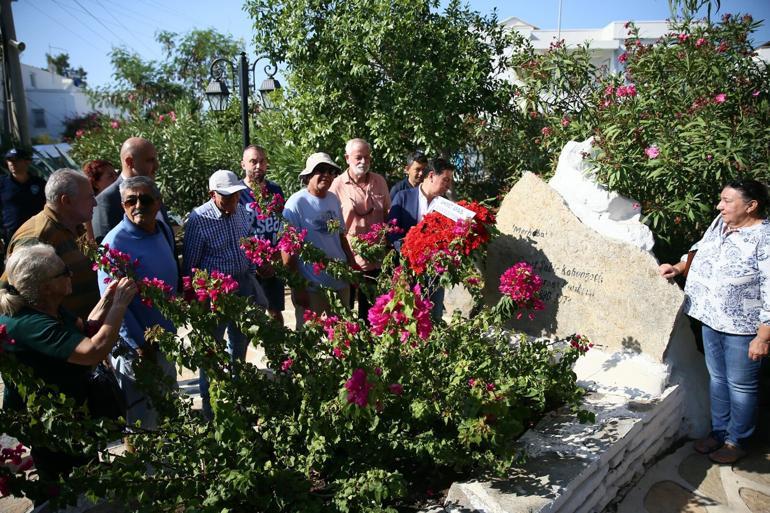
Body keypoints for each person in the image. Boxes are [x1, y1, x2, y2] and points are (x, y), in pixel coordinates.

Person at [0, 243, 136, 483]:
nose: (71, 274)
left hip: (73, 419)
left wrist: (107, 300)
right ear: (46, 287)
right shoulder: (30, 324)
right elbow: (92, 350)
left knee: (88, 474)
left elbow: (83, 330)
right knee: (70, 488)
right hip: (52, 429)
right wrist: (120, 306)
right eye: (64, 272)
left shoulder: (48, 308)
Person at [659, 178, 770, 464]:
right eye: (721, 199)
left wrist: (763, 336)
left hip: (744, 328)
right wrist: (679, 267)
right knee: (718, 381)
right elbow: (699, 249)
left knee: (741, 386)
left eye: (727, 201)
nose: (719, 205)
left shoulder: (764, 238)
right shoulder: (720, 224)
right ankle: (719, 432)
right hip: (711, 318)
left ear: (751, 205)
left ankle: (737, 440)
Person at [183, 169, 267, 419]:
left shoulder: (242, 211)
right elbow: (191, 264)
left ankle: (238, 401)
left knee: (240, 346)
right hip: (213, 294)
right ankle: (211, 410)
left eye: (236, 195)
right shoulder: (199, 218)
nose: (232, 201)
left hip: (241, 287)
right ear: (213, 194)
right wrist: (198, 298)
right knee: (211, 350)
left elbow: (247, 245)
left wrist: (253, 273)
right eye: (226, 197)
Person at [98, 177, 179, 430]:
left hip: (164, 340)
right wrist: (140, 346)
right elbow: (114, 305)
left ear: (158, 202)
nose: (138, 205)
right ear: (122, 205)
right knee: (141, 419)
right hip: (137, 349)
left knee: (166, 408)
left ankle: (169, 466)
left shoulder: (163, 229)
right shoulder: (114, 244)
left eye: (145, 199)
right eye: (130, 200)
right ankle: (146, 469)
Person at [5, 168, 100, 320]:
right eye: (89, 197)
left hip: (88, 330)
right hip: (67, 338)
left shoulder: (75, 226)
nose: (95, 203)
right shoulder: (36, 238)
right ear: (66, 201)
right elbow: (16, 297)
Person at [282, 153, 356, 328]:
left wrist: (352, 268)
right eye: (320, 170)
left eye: (331, 171)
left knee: (342, 335)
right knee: (309, 339)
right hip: (312, 286)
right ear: (308, 176)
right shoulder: (296, 204)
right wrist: (297, 287)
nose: (327, 175)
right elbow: (287, 252)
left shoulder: (332, 199)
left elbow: (340, 236)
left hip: (339, 282)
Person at [387, 157, 455, 320]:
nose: (448, 185)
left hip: (434, 274)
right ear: (431, 175)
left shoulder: (446, 206)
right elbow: (392, 231)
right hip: (406, 269)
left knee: (432, 318)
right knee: (405, 318)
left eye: (450, 181)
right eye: (445, 179)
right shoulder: (403, 197)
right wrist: (408, 251)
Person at [329, 138, 391, 318]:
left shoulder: (379, 181)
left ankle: (370, 345)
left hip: (376, 260)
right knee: (346, 312)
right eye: (358, 157)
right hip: (349, 259)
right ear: (347, 158)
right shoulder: (337, 185)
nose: (363, 161)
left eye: (367, 157)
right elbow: (333, 225)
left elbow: (388, 215)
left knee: (372, 313)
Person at [238, 145, 286, 324]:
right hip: (249, 266)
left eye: (262, 161)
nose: (258, 166)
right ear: (243, 165)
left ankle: (279, 351)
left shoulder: (276, 190)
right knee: (251, 317)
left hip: (273, 262)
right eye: (253, 161)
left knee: (275, 312)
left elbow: (282, 226)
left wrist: (275, 259)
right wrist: (254, 262)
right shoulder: (238, 193)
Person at [91, 137, 160, 242]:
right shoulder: (107, 201)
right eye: (150, 160)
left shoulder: (153, 190)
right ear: (130, 162)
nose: (157, 166)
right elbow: (108, 250)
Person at [0, 147, 46, 249]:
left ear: (27, 162)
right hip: (12, 236)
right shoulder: (2, 184)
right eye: (9, 160)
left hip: (37, 233)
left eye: (17, 160)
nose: (12, 163)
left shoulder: (39, 183)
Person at [82, 159, 118, 241]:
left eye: (116, 175)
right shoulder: (89, 210)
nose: (116, 179)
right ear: (95, 184)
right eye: (110, 176)